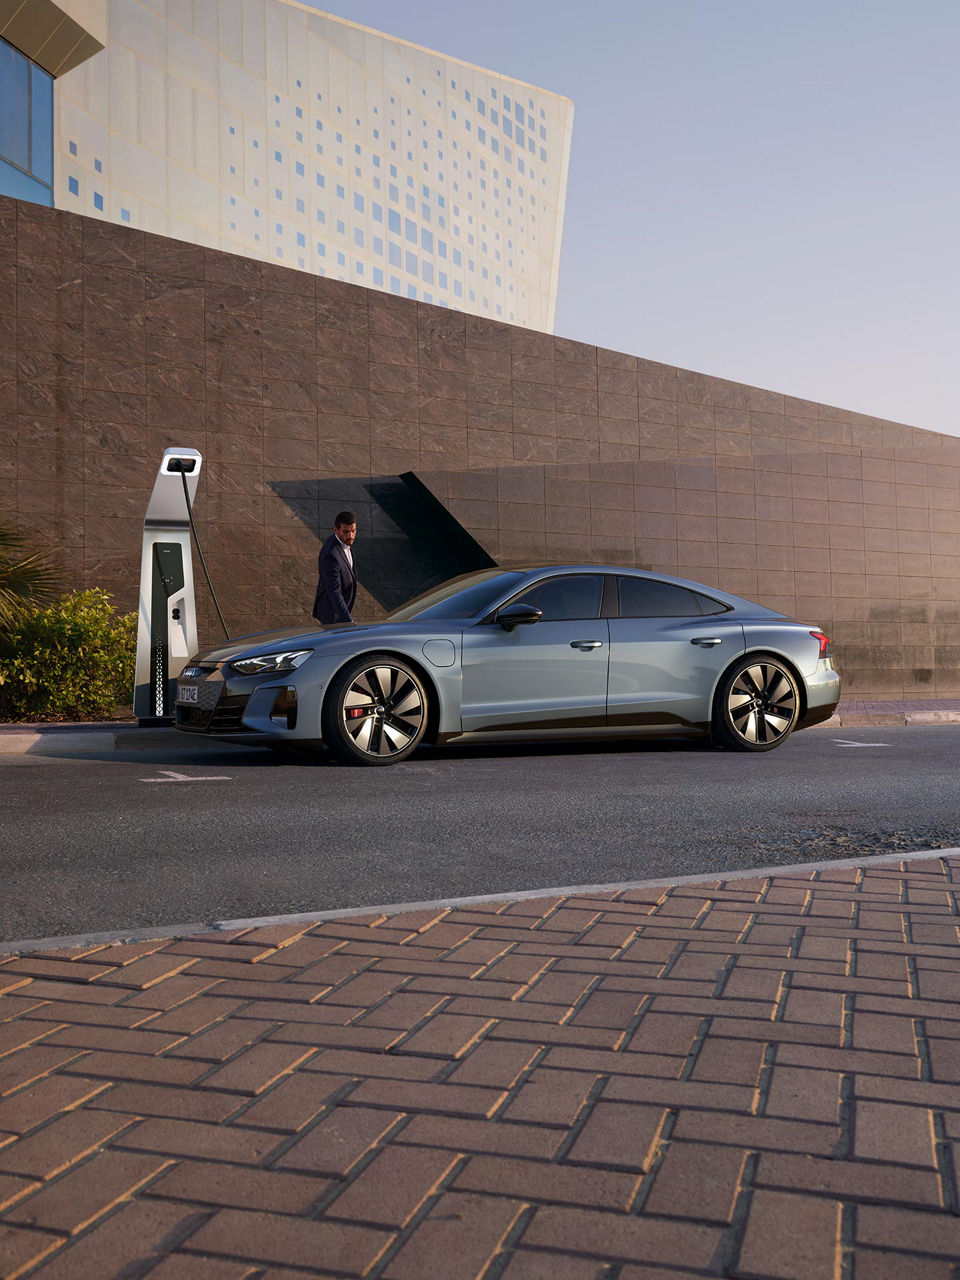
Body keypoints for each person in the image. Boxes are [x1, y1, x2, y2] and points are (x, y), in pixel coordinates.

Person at [312, 511, 358, 624]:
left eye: (353, 531)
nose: (350, 536)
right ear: (336, 530)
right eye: (346, 532)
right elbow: (334, 592)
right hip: (331, 616)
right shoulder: (330, 554)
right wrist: (348, 621)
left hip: (340, 613)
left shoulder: (345, 543)